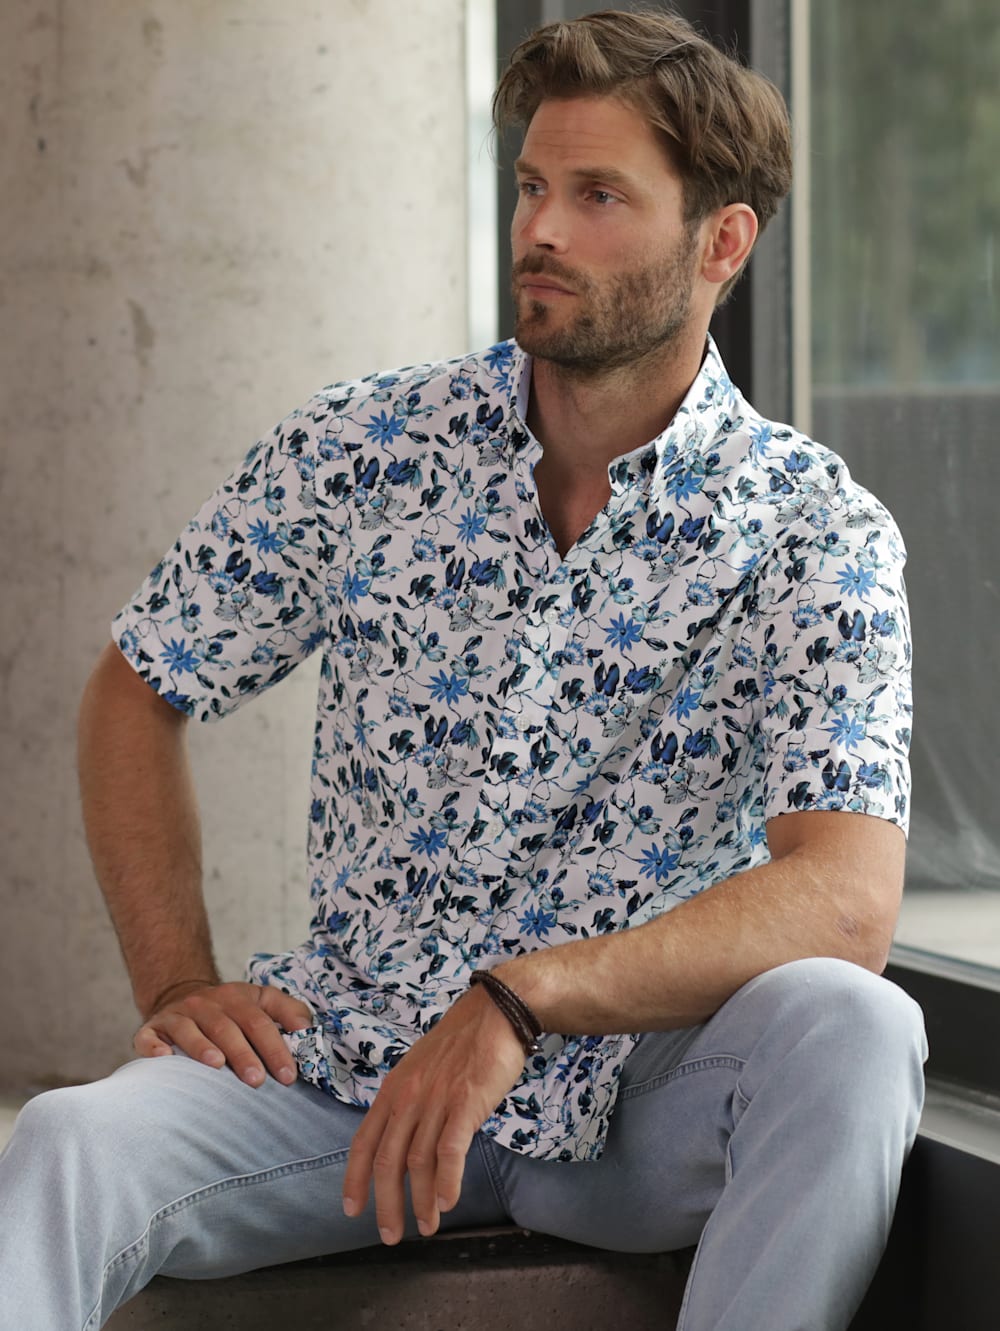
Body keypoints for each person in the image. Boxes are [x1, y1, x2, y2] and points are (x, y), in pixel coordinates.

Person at [1, 9, 926, 1330]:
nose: (540, 229)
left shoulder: (813, 529)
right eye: (534, 186)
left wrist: (524, 998)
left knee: (859, 1029)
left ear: (722, 242)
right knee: (65, 1146)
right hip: (347, 1077)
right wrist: (175, 983)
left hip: (632, 1099)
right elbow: (139, 684)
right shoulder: (364, 450)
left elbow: (843, 902)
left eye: (598, 196)